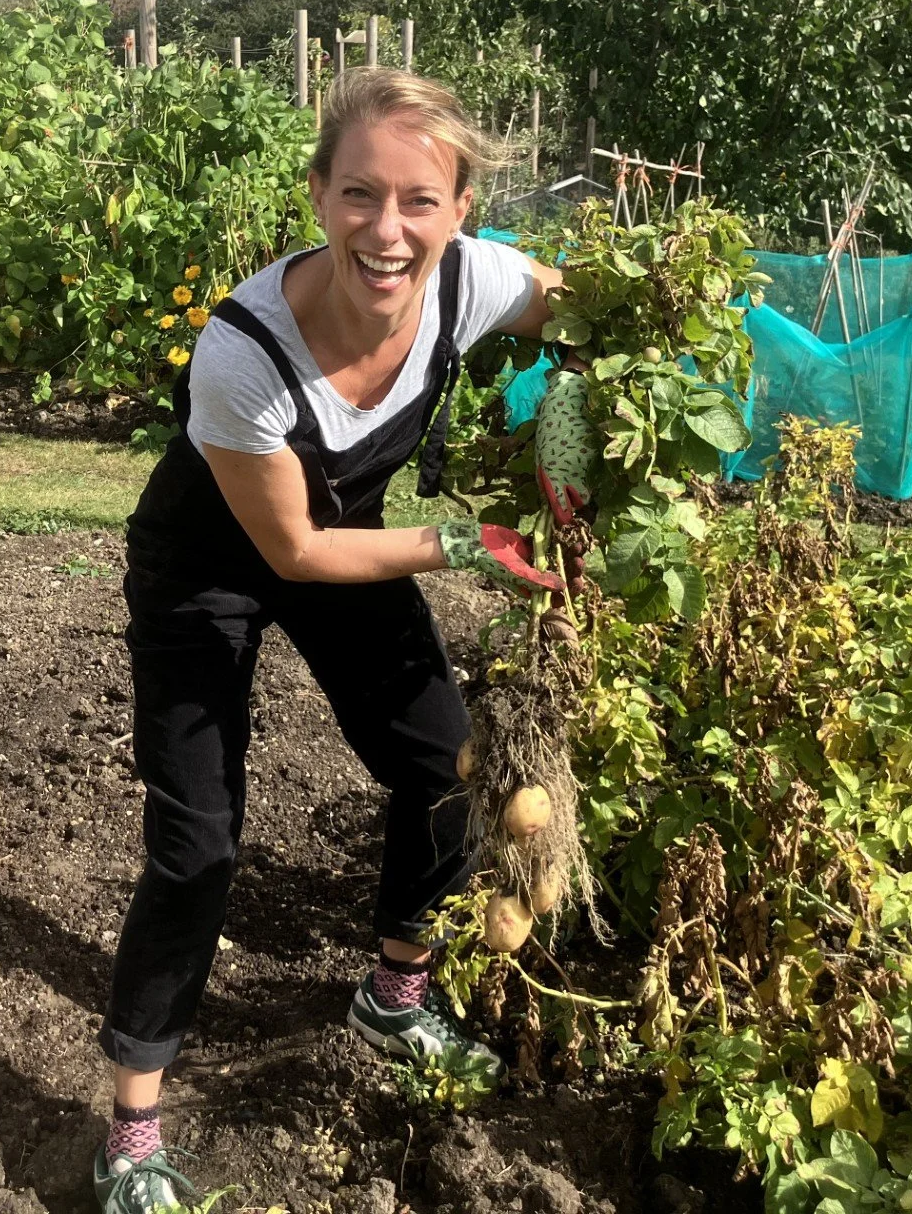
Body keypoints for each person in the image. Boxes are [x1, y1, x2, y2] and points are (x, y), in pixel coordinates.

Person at [94, 68, 595, 1214]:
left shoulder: (474, 280)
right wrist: (465, 542)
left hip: (348, 538)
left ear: (463, 205)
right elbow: (293, 553)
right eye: (359, 194)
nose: (388, 229)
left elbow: (580, 312)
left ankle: (396, 991)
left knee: (447, 767)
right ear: (319, 193)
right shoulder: (243, 352)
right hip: (212, 570)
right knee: (199, 842)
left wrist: (607, 376)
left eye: (420, 200)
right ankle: (131, 1128)